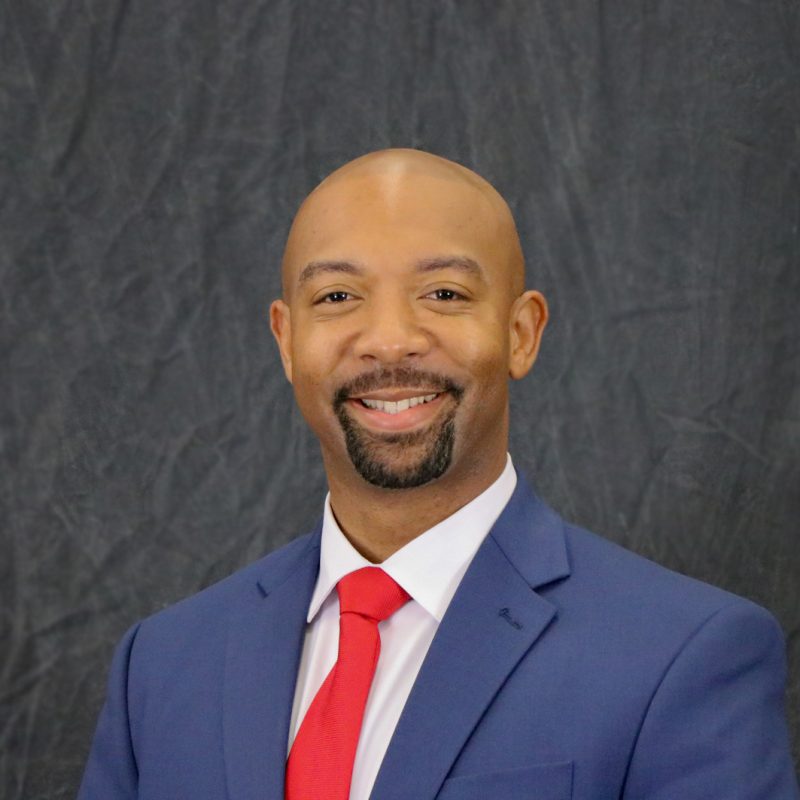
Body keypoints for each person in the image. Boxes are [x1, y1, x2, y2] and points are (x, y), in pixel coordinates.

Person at [78, 148, 799, 799]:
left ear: (521, 334)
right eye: (337, 297)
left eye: (445, 294)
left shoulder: (684, 655)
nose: (390, 339)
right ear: (286, 339)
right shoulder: (163, 665)